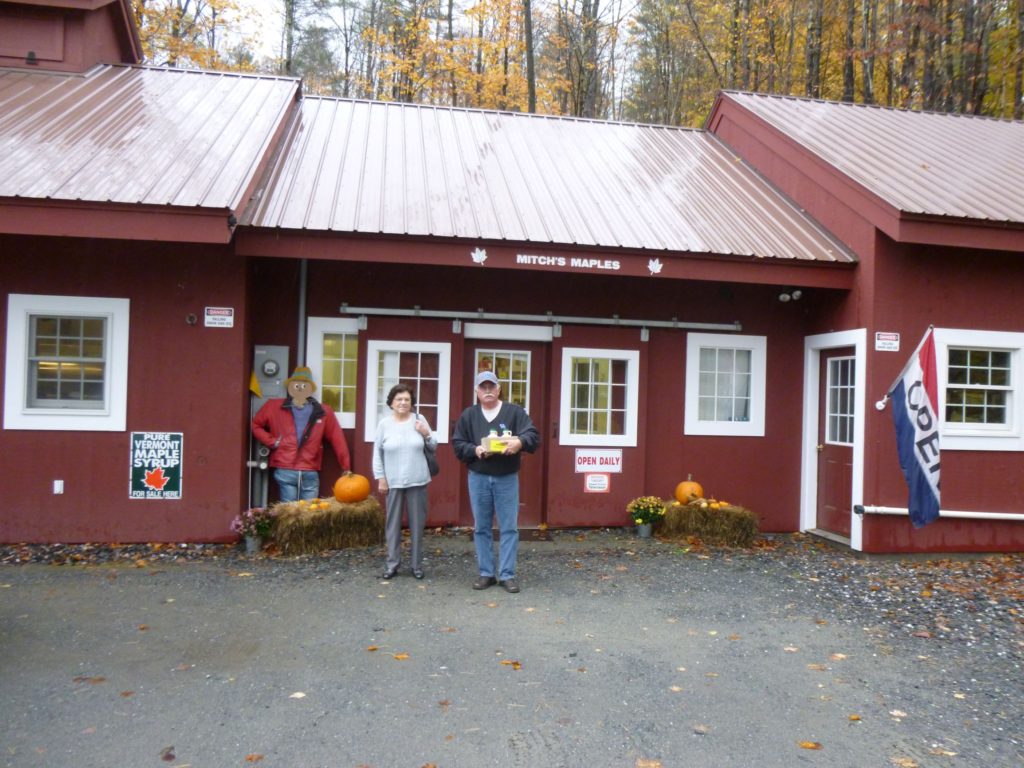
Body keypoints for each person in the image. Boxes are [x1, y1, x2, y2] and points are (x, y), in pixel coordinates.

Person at [452, 370, 540, 593]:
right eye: (483, 387)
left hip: (506, 478)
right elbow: (458, 443)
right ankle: (486, 573)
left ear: (499, 389)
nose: (488, 391)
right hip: (478, 477)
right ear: (477, 392)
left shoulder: (514, 412)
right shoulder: (469, 415)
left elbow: (532, 435)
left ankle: (507, 575)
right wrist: (475, 449)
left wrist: (519, 442)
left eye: (492, 387)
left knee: (509, 527)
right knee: (481, 527)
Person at [252, 366, 351, 502]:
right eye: (297, 385)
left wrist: (346, 466)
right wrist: (272, 441)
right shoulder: (274, 406)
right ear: (290, 387)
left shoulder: (323, 411)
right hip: (286, 468)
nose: (300, 388)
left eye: (304, 385)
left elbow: (336, 438)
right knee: (292, 513)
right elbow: (255, 425)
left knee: (307, 514)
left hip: (308, 469)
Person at [373, 383, 436, 580]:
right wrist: (381, 478)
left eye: (407, 399)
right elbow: (377, 454)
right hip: (393, 482)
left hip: (417, 480)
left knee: (417, 525)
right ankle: (392, 564)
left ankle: (417, 565)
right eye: (399, 399)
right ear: (391, 402)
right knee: (392, 525)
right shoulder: (384, 424)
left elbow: (433, 446)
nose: (403, 403)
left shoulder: (419, 420)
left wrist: (426, 433)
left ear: (412, 403)